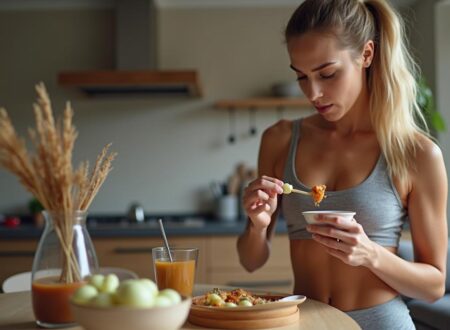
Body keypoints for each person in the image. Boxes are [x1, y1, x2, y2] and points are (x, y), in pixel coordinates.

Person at [237, 0, 448, 329]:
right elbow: (251, 262)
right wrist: (257, 226)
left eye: (327, 74)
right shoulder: (279, 139)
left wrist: (370, 253)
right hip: (305, 323)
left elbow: (434, 285)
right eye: (302, 77)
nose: (314, 93)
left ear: (366, 55)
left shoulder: (417, 153)